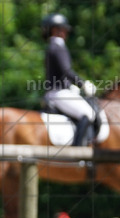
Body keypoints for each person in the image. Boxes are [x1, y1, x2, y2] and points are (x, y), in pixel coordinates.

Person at [41, 13, 99, 146]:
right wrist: (83, 84)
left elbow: (59, 73)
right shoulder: (57, 46)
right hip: (59, 93)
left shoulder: (51, 47)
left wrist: (71, 86)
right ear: (56, 30)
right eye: (64, 30)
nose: (66, 33)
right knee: (88, 113)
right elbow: (66, 71)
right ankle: (77, 152)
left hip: (58, 91)